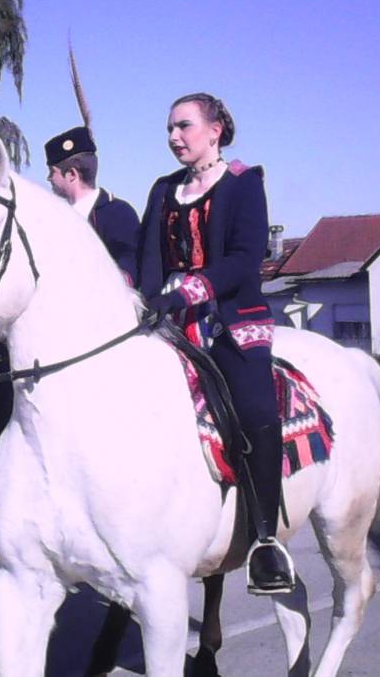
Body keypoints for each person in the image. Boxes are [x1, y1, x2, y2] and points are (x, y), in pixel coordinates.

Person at [137, 92, 293, 595]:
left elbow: (246, 259)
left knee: (252, 408)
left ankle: (266, 540)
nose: (173, 137)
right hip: (168, 320)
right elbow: (147, 263)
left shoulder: (246, 184)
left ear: (215, 130)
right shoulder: (162, 190)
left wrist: (192, 290)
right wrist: (141, 303)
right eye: (169, 129)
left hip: (230, 320)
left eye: (183, 126)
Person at [45, 125, 142, 285]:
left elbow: (129, 262)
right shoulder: (54, 218)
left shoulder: (118, 213)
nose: (49, 179)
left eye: (52, 172)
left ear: (71, 175)